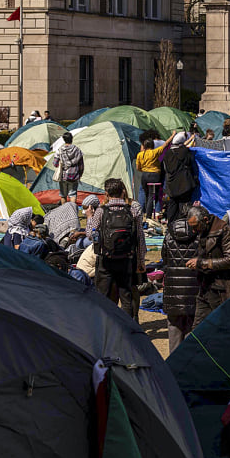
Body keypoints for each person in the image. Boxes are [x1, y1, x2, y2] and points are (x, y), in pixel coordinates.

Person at [92, 178, 145, 319]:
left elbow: (90, 233)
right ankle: (128, 328)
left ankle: (106, 327)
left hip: (106, 260)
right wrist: (140, 262)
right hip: (127, 259)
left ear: (106, 193)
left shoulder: (101, 211)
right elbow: (140, 237)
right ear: (123, 192)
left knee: (103, 296)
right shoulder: (133, 211)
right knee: (126, 297)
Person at [185, 205, 230, 326]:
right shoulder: (203, 231)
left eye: (195, 227)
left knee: (221, 327)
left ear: (205, 220)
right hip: (205, 287)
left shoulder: (224, 231)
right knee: (198, 329)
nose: (194, 231)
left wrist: (202, 263)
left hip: (221, 290)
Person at [160, 212, 200, 351]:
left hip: (173, 287)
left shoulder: (169, 234)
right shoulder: (199, 233)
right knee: (192, 325)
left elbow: (164, 257)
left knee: (174, 327)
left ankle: (173, 365)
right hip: (194, 287)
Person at [161, 131, 198, 222]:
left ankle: (171, 226)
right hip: (184, 184)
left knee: (172, 206)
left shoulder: (168, 153)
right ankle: (184, 226)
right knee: (184, 208)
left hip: (171, 185)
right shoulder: (185, 152)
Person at [135, 135, 164, 220]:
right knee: (153, 195)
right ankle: (148, 216)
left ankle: (143, 213)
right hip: (154, 175)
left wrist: (144, 170)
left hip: (144, 175)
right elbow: (165, 145)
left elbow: (137, 168)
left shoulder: (140, 154)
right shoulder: (154, 152)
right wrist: (173, 135)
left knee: (146, 194)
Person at [54, 132, 84, 207]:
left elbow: (55, 163)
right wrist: (80, 174)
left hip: (63, 176)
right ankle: (73, 211)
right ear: (72, 139)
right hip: (74, 175)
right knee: (73, 194)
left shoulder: (60, 150)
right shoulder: (77, 150)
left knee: (63, 194)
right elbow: (81, 165)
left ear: (64, 140)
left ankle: (64, 212)